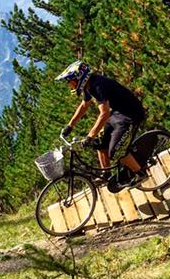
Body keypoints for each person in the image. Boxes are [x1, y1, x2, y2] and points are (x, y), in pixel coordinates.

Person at [56, 60, 148, 191]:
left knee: (116, 151)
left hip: (131, 115)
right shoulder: (89, 85)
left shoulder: (98, 86)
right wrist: (70, 125)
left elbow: (104, 114)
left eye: (71, 82)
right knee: (99, 143)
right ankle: (107, 173)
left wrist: (90, 136)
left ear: (80, 78)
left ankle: (140, 173)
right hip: (117, 113)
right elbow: (84, 105)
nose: (70, 85)